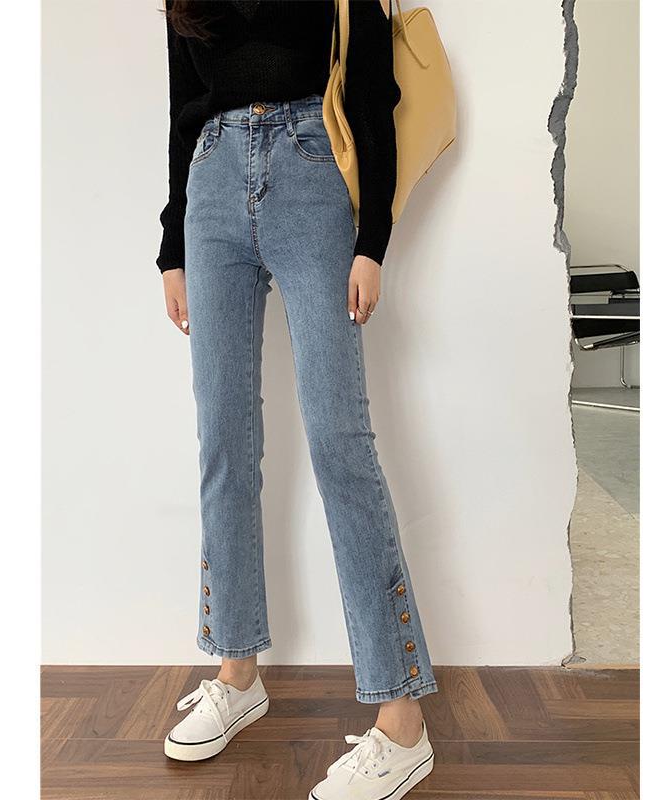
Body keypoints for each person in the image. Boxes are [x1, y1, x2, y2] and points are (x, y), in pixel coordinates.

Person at [157, 2, 437, 797]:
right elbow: (182, 107)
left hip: (312, 174)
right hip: (212, 182)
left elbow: (373, 94)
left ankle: (402, 721)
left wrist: (372, 240)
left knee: (340, 445)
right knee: (222, 442)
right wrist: (174, 244)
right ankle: (237, 670)